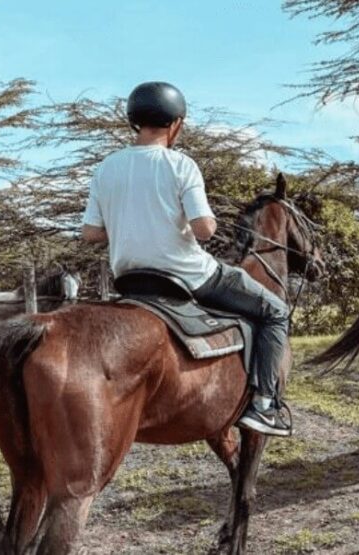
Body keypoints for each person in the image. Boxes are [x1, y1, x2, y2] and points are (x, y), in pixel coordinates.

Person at [80, 81, 293, 436]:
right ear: (176, 123)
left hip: (131, 279)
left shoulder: (106, 168)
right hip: (190, 277)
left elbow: (90, 232)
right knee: (275, 312)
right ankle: (264, 405)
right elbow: (204, 229)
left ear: (135, 122)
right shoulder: (181, 165)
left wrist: (126, 223)